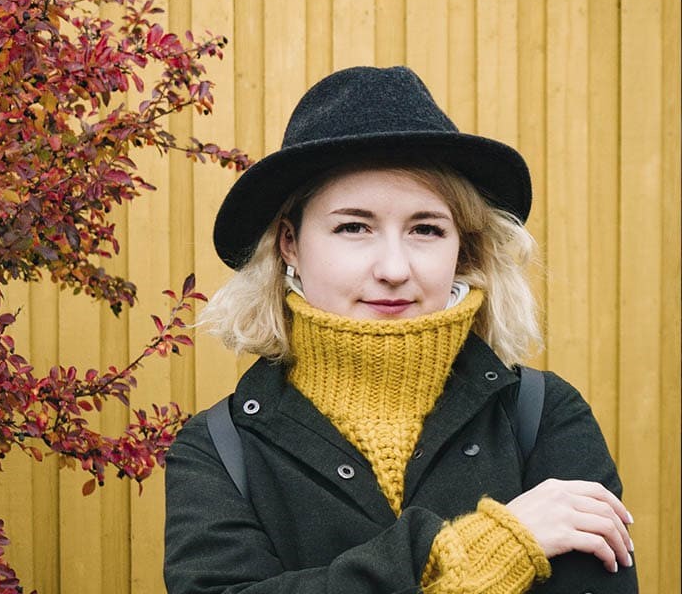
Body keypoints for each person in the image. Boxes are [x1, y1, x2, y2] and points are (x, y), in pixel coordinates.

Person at [163, 65, 638, 593]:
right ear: (289, 244)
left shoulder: (543, 416)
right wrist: (493, 549)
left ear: (463, 249)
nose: (393, 268)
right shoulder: (218, 448)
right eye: (354, 227)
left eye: (425, 229)